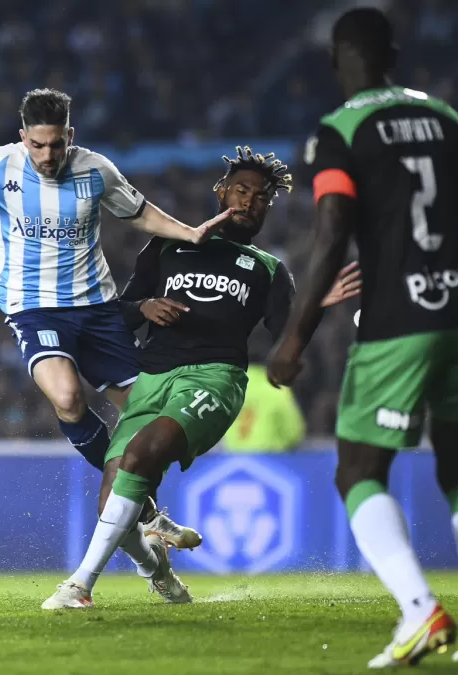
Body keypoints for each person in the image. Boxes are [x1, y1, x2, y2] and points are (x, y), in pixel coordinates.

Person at [0, 88, 229, 547]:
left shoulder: (96, 170)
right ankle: (147, 514)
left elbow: (139, 212)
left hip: (98, 309)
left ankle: (142, 514)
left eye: (56, 144)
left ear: (70, 135)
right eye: (37, 144)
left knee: (148, 423)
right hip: (34, 307)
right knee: (68, 398)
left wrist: (189, 233)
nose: (47, 155)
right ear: (22, 137)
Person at [265, 7, 458, 667]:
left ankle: (418, 608)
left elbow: (332, 229)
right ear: (393, 55)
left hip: (397, 319)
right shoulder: (447, 118)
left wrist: (297, 332)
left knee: (357, 470)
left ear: (334, 60)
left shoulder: (341, 129)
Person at [42, 146, 360, 609]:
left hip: (214, 379)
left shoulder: (270, 270)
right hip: (150, 377)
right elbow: (118, 315)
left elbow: (287, 338)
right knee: (113, 495)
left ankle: (80, 586)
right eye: (242, 190)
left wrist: (312, 306)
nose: (250, 201)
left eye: (262, 197)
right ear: (221, 192)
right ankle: (161, 575)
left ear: (269, 208)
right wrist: (144, 307)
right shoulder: (167, 246)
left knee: (141, 454)